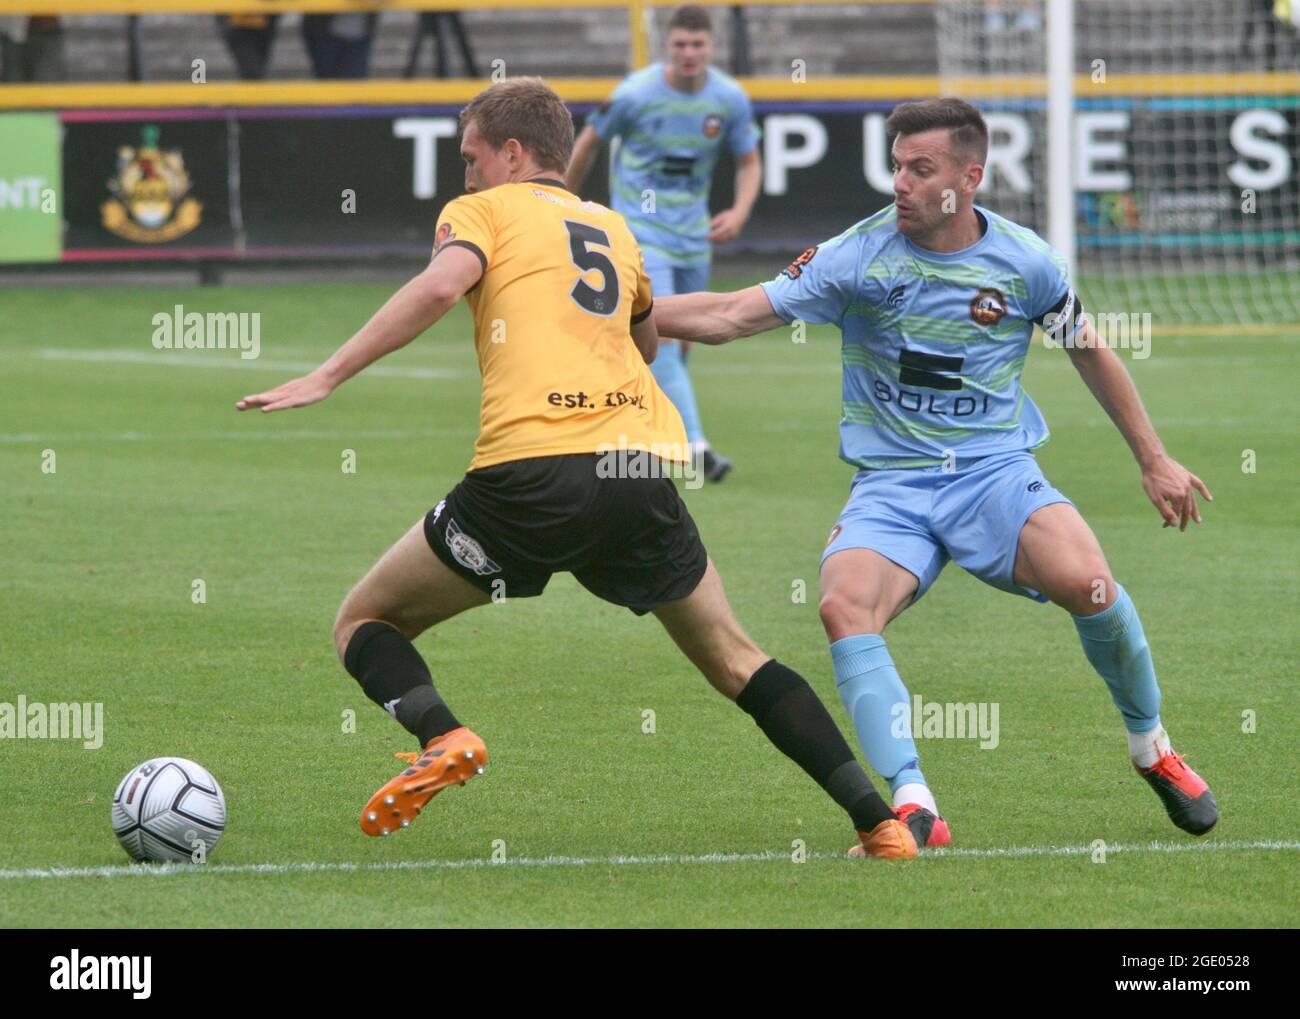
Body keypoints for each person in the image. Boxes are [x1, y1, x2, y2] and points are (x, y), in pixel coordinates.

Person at [235, 77, 915, 861]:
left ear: (513, 153)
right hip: (635, 474)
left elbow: (438, 285)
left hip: (527, 478)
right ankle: (879, 822)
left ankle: (444, 733)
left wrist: (327, 375)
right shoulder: (612, 227)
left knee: (364, 621)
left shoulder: (481, 212)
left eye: (472, 158)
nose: (466, 175)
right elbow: (648, 345)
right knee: (735, 657)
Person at [653, 97, 1218, 851]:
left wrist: (1154, 457)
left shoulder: (1025, 261)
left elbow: (1088, 346)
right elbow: (728, 313)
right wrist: (616, 308)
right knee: (843, 607)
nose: (901, 183)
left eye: (921, 169)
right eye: (897, 167)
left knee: (1090, 584)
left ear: (970, 176)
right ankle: (914, 800)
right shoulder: (859, 255)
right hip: (892, 483)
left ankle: (1153, 748)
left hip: (994, 472)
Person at [565, 4, 762, 483]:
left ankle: (638, 425)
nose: (689, 53)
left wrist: (738, 212)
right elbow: (588, 140)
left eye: (697, 45)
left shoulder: (729, 98)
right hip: (640, 230)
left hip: (693, 236)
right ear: (666, 47)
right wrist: (563, 201)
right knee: (664, 333)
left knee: (682, 335)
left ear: (710, 47)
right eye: (680, 45)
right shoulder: (635, 94)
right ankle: (695, 445)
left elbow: (749, 162)